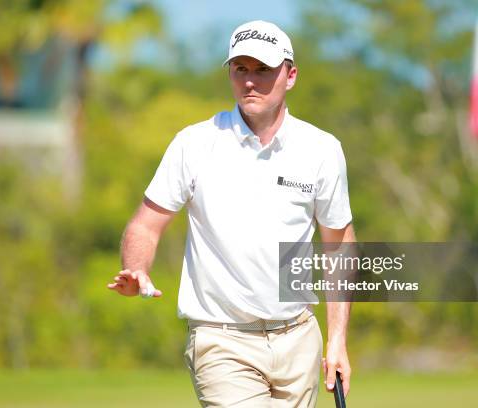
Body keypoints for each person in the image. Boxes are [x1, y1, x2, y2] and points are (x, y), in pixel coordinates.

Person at [108, 20, 355, 407]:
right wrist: (136, 266)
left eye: (262, 70)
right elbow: (146, 225)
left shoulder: (322, 150)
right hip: (221, 340)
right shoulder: (194, 144)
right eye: (240, 69)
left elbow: (339, 247)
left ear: (290, 76)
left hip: (299, 338)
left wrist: (337, 340)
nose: (250, 82)